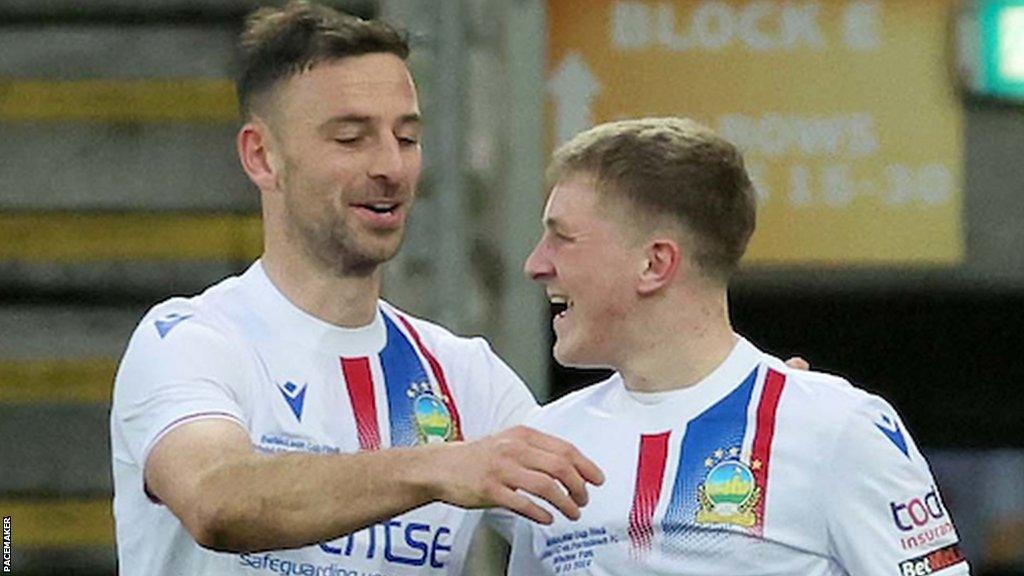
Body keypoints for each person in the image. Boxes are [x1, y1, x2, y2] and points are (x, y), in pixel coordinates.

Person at [108, 3, 604, 574]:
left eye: (407, 137)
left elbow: (602, 534)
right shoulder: (191, 341)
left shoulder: (466, 376)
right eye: (351, 139)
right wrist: (436, 467)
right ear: (261, 156)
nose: (391, 166)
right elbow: (217, 499)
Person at [506, 117, 970, 575]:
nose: (535, 264)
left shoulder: (836, 427)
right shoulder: (547, 441)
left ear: (654, 262)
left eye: (561, 237)